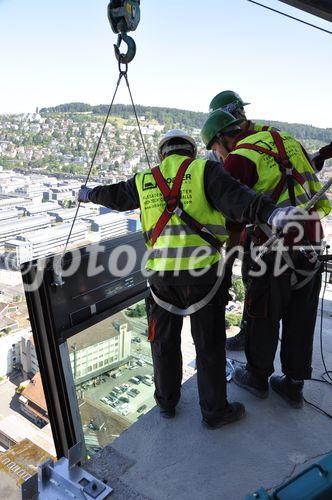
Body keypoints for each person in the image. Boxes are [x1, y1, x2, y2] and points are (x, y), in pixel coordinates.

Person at [78, 128, 292, 428]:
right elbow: (239, 199)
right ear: (190, 152)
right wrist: (271, 214)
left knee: (163, 343)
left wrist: (87, 194)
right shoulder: (204, 170)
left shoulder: (144, 179)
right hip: (203, 277)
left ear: (162, 153)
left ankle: (166, 403)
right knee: (209, 345)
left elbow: (113, 195)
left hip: (161, 280)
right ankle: (214, 411)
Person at [201, 110, 331, 408]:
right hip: (312, 241)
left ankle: (258, 377)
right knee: (302, 314)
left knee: (263, 313)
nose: (218, 156)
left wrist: (231, 256)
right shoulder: (287, 141)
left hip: (273, 249)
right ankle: (294, 384)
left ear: (222, 139)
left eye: (215, 149)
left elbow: (234, 215)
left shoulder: (240, 158)